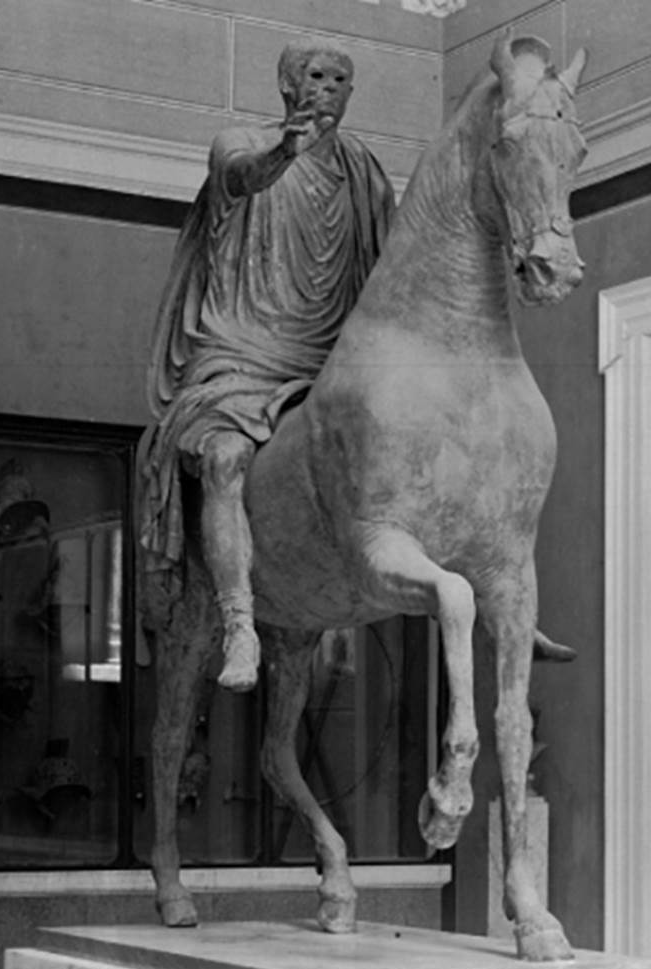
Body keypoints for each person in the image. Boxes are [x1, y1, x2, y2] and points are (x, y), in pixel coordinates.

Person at [138, 41, 395, 692]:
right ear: (286, 84)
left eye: (342, 80)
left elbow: (397, 256)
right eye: (316, 76)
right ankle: (240, 623)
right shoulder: (238, 142)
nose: (329, 88)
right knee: (224, 461)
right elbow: (243, 175)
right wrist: (287, 149)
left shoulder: (362, 169)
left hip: (328, 361)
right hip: (242, 354)